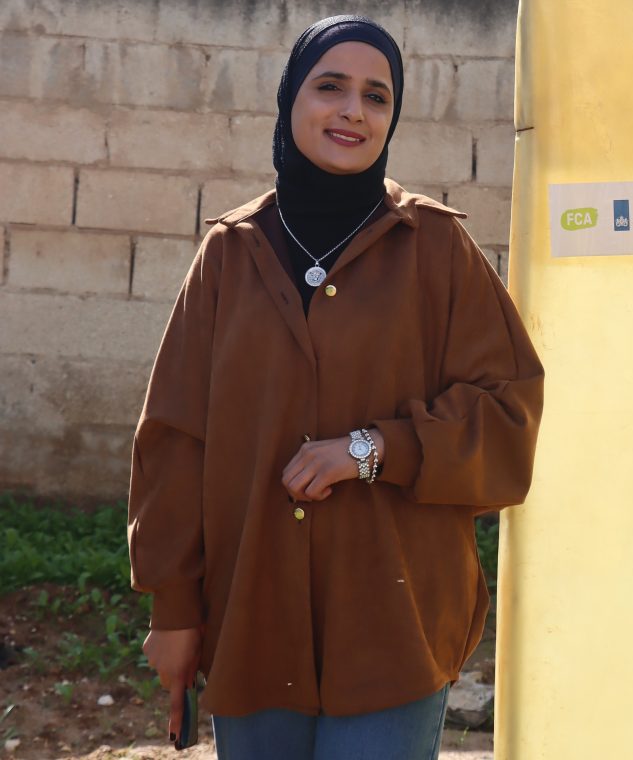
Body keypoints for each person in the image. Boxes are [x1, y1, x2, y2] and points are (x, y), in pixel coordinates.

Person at [126, 15, 543, 760]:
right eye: (331, 87)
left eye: (377, 96)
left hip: (394, 625)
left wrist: (378, 448)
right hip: (254, 620)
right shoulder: (231, 253)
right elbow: (174, 442)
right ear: (291, 100)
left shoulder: (437, 248)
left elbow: (508, 408)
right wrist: (174, 609)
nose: (354, 110)